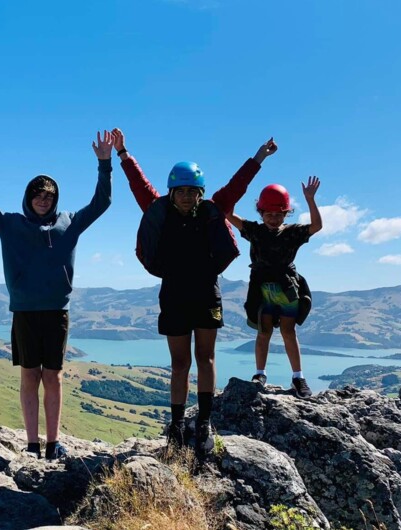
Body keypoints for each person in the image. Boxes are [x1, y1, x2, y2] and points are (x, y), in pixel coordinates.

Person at [112, 128, 277, 456]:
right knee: (179, 363)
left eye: (193, 191)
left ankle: (203, 421)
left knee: (206, 357)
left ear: (200, 193)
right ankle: (175, 425)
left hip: (205, 295)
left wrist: (260, 156)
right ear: (172, 192)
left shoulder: (212, 209)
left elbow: (237, 185)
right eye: (181, 190)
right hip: (173, 295)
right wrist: (123, 154)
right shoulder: (158, 210)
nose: (187, 196)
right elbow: (139, 184)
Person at [0, 130, 112, 460]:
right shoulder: (9, 223)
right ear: (28, 197)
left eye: (49, 196)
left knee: (53, 377)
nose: (43, 200)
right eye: (38, 194)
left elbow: (102, 203)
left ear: (55, 199)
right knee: (30, 375)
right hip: (25, 312)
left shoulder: (69, 223)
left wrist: (105, 164)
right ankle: (31, 445)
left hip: (57, 311)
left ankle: (54, 443)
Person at [226, 177, 322, 398]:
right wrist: (236, 191)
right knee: (264, 332)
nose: (273, 218)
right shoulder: (254, 230)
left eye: (279, 214)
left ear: (286, 214)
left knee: (288, 331)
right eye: (269, 214)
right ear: (261, 213)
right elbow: (228, 214)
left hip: (286, 287)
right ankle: (260, 374)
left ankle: (298, 377)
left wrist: (310, 199)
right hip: (262, 289)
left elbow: (316, 226)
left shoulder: (292, 232)